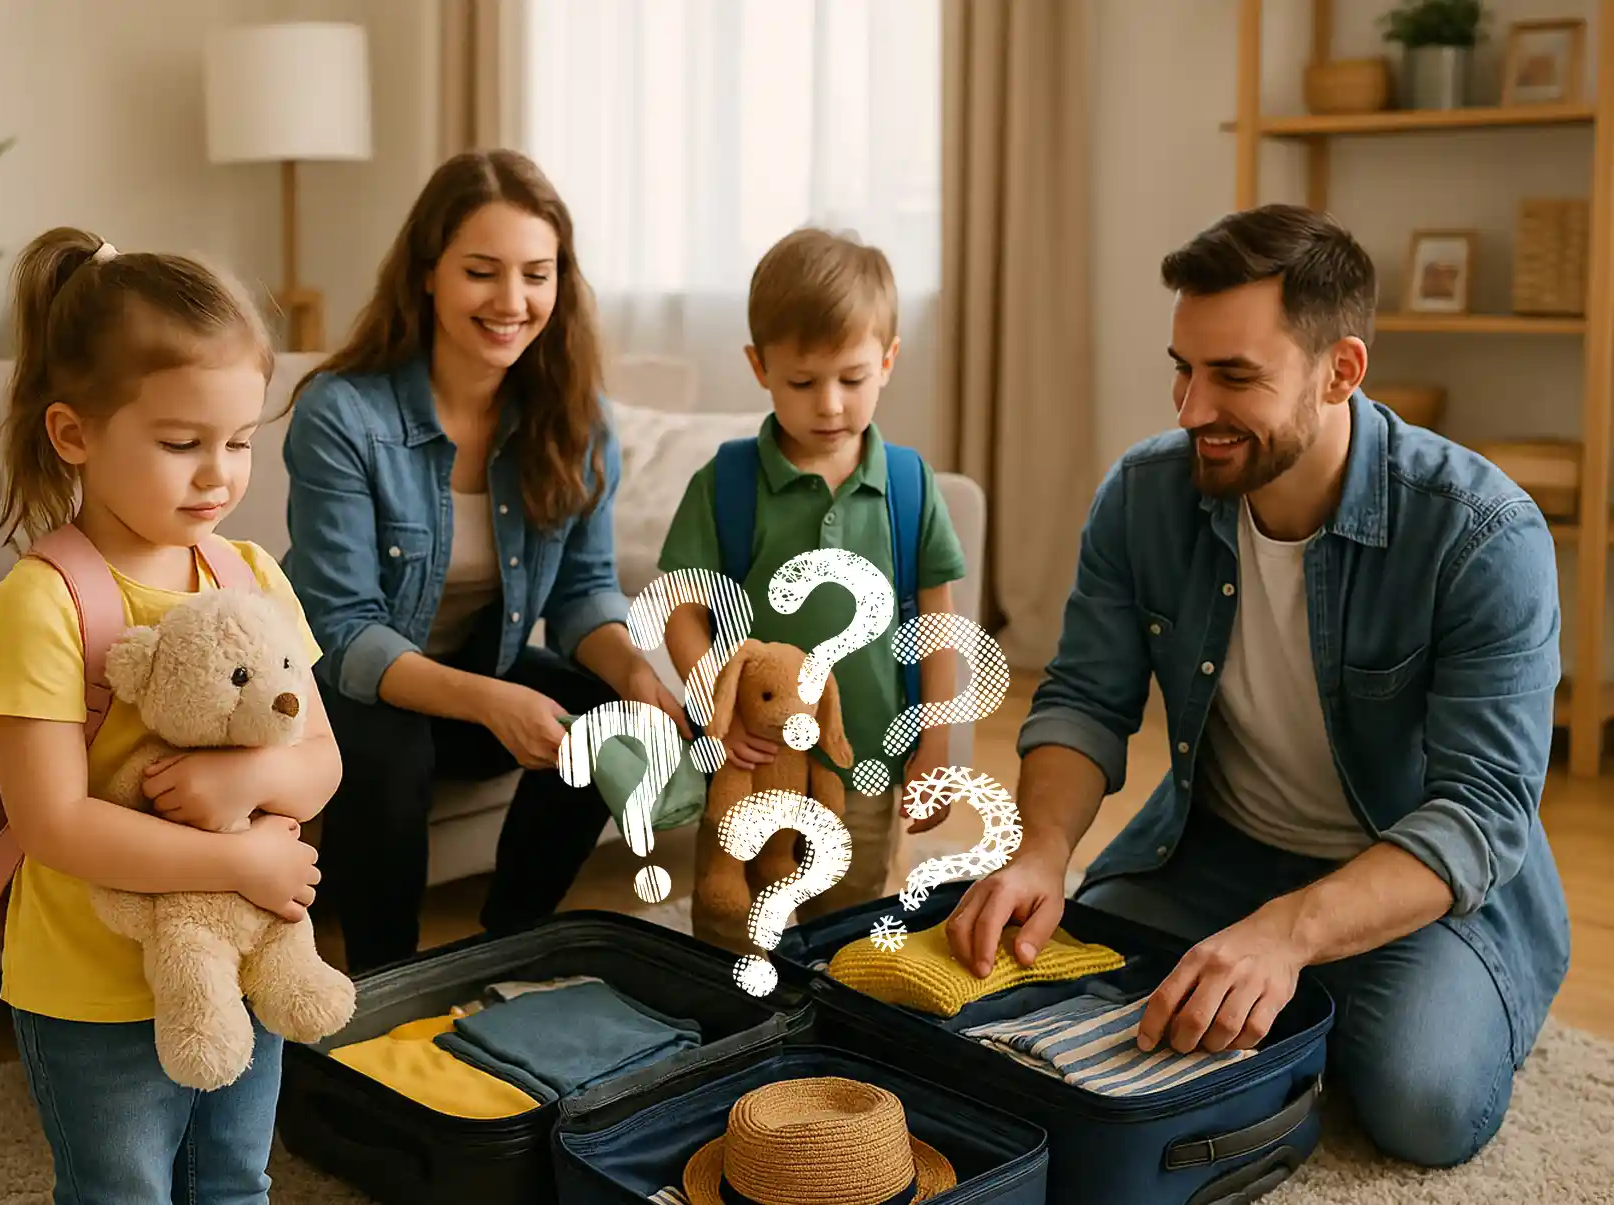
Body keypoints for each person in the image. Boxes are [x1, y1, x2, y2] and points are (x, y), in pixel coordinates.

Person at [945, 203, 1570, 1168]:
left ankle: (1365, 993)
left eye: (1233, 376)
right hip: (1214, 852)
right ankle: (1293, 1002)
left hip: (1409, 882)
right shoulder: (1141, 495)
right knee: (1047, 997)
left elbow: (1479, 814)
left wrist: (1286, 935)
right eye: (1182, 368)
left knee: (1424, 1104)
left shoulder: (1482, 534)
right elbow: (1083, 699)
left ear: (1340, 371)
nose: (1190, 409)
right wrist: (1041, 853)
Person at [0, 228, 340, 1203]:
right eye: (182, 443)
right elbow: (53, 822)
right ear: (73, 434)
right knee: (121, 1190)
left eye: (240, 440)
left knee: (235, 1179)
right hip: (92, 986)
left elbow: (319, 758)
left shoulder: (250, 573)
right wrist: (241, 862)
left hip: (245, 957)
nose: (218, 474)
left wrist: (251, 778)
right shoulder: (43, 600)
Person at [281, 148, 689, 975]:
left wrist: (636, 676)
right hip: (338, 694)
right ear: (427, 273)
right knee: (388, 744)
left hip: (474, 671)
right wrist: (493, 702)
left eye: (536, 274)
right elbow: (345, 631)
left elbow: (582, 589)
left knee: (598, 704)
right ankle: (385, 978)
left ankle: (511, 944)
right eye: (481, 272)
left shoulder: (575, 419)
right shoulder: (343, 413)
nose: (511, 301)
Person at [657, 226, 969, 949]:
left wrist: (935, 745)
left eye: (851, 380)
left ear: (887, 361)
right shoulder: (727, 483)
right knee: (733, 923)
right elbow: (680, 609)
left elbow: (937, 624)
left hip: (864, 765)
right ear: (759, 366)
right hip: (751, 764)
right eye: (803, 383)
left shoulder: (908, 485)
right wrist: (717, 710)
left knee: (845, 928)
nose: (829, 405)